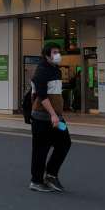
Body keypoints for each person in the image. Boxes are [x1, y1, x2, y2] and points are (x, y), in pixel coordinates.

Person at [29, 44, 71, 193]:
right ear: (47, 55)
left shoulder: (56, 70)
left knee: (65, 143)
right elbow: (42, 95)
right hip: (42, 118)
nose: (58, 55)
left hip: (56, 118)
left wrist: (57, 115)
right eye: (54, 52)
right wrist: (53, 114)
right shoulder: (42, 70)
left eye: (59, 52)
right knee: (41, 149)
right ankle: (36, 181)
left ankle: (51, 175)